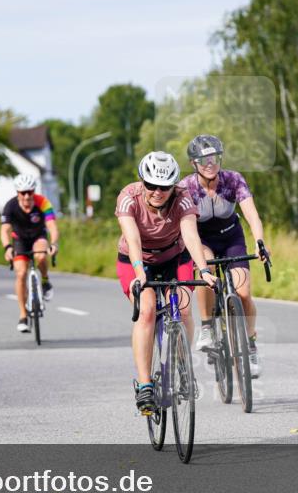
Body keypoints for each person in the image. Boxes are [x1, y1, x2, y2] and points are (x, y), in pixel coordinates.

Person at [116, 151, 216, 414]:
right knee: (147, 311)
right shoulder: (129, 198)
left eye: (164, 187)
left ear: (174, 186)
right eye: (151, 185)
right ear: (142, 182)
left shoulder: (183, 198)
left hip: (175, 255)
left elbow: (191, 236)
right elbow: (133, 240)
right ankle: (145, 385)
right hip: (136, 260)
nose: (157, 192)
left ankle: (183, 366)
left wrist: (204, 270)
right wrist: (140, 272)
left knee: (183, 308)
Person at [182, 134, 270, 377]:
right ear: (194, 164)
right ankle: (208, 326)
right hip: (203, 240)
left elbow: (251, 214)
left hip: (231, 237)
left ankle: (250, 345)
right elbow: (184, 226)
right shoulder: (185, 188)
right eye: (204, 161)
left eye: (214, 159)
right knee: (206, 270)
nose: (210, 165)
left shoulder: (233, 180)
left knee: (243, 293)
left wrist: (259, 241)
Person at [0, 174, 59, 333]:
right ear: (17, 193)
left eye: (30, 192)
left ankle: (45, 281)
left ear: (34, 191)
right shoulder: (10, 206)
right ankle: (23, 315)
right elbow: (4, 230)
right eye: (22, 192)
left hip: (38, 237)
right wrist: (7, 248)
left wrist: (53, 244)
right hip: (19, 239)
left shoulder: (43, 203)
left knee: (40, 255)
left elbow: (52, 226)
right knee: (21, 273)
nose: (26, 196)